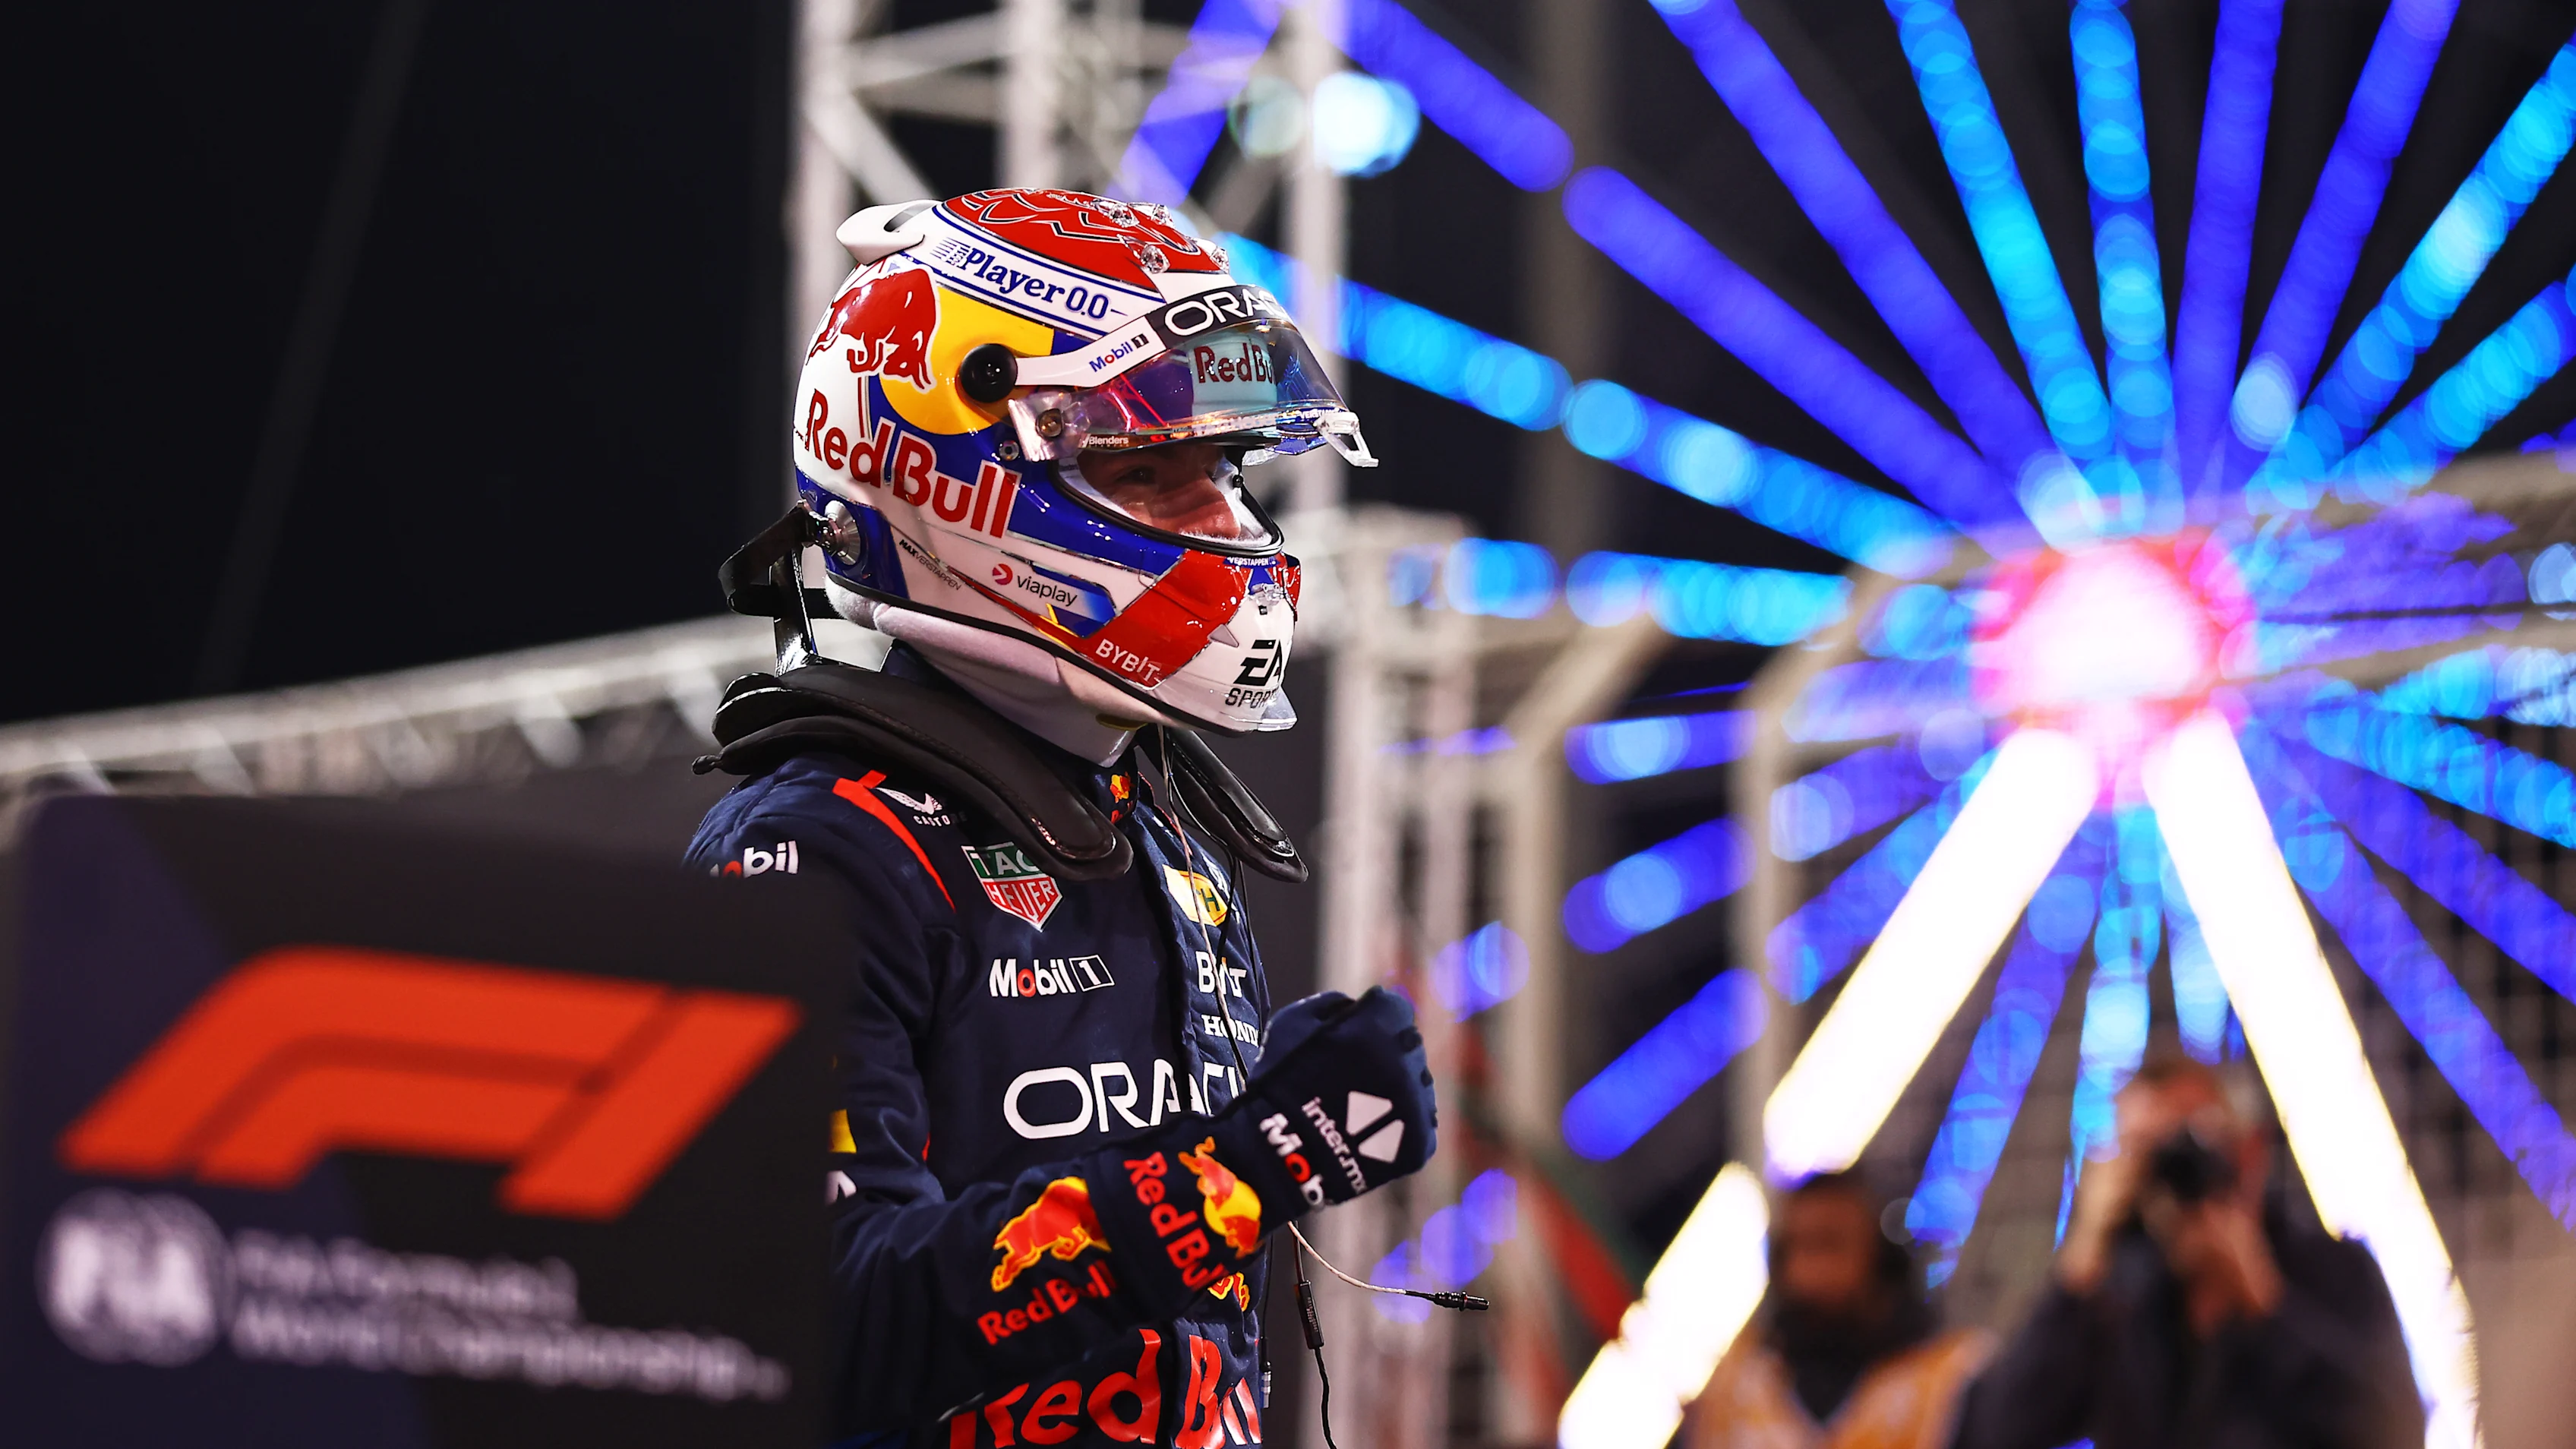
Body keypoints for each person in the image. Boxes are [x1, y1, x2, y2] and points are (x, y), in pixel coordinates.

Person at [687, 189, 1432, 1449]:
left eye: (1223, 470)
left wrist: (1237, 1153)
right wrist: (1236, 1172)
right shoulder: (816, 856)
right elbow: (810, 1324)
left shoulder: (1165, 834)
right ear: (946, 484)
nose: (1227, 525)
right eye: (1147, 471)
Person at [1948, 1053, 2423, 1449]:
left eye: (2187, 1144)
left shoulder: (2333, 1270)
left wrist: (2265, 1307)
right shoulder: (2120, 1296)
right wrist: (2082, 1257)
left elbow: (2395, 1433)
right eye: (2145, 1153)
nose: (2171, 1174)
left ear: (2250, 1151)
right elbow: (1995, 1434)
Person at [1689, 1173, 1989, 1449]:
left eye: (1828, 1244)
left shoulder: (1951, 1379)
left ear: (1882, 1259)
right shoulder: (1734, 1384)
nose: (1809, 1270)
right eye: (1796, 1248)